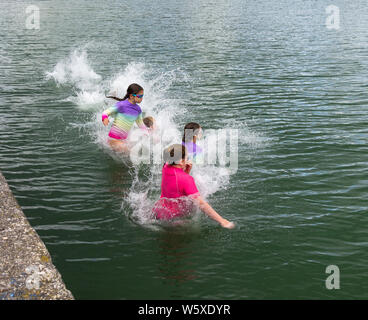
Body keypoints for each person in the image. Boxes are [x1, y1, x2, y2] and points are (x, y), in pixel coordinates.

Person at [153, 144, 235, 229]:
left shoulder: (165, 166)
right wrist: (222, 221)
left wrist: (186, 170)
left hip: (160, 211)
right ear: (181, 161)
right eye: (186, 158)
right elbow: (201, 203)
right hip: (174, 219)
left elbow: (177, 185)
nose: (187, 160)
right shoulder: (186, 179)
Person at [102, 83, 148, 153]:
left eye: (142, 96)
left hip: (123, 140)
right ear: (132, 96)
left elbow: (140, 124)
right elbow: (105, 112)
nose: (142, 98)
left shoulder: (138, 110)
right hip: (113, 139)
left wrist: (147, 133)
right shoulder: (121, 105)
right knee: (131, 152)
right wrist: (105, 118)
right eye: (140, 96)